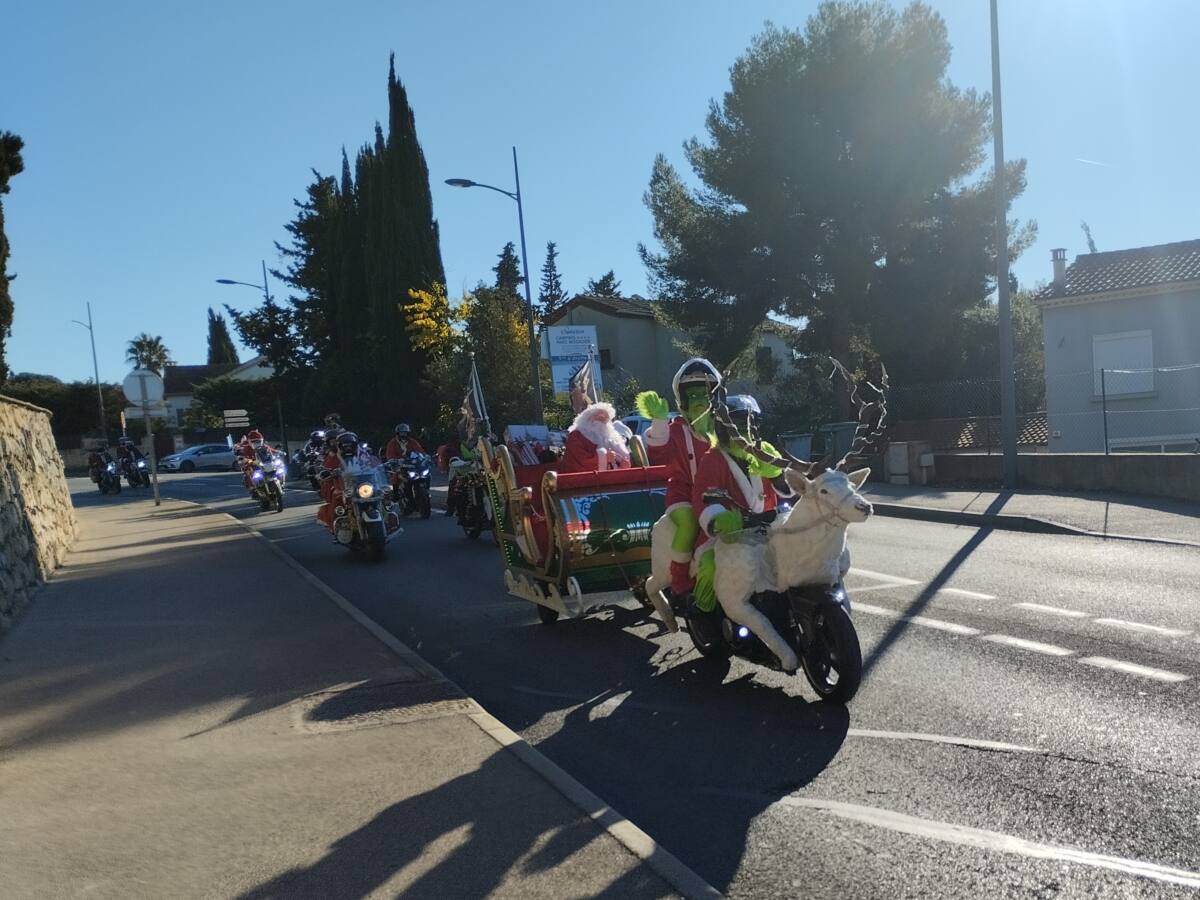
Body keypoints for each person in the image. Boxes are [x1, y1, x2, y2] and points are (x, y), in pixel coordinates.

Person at [690, 394, 792, 625]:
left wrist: (777, 475)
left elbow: (789, 488)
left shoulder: (765, 449)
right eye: (738, 422)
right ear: (724, 427)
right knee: (709, 565)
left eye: (751, 422)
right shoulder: (713, 459)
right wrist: (719, 519)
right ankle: (705, 616)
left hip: (769, 528)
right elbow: (704, 497)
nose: (746, 428)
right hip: (730, 536)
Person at [636, 358, 722, 600]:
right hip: (683, 494)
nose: (699, 401)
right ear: (682, 399)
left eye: (704, 394)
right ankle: (680, 578)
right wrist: (659, 422)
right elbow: (658, 453)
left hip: (722, 495)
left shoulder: (723, 428)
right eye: (692, 395)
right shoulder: (676, 429)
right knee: (688, 524)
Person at [561, 402, 631, 473]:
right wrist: (604, 458)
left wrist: (622, 465)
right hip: (582, 481)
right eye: (599, 418)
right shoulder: (576, 436)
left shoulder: (610, 437)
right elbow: (579, 461)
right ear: (588, 419)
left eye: (605, 420)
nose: (603, 422)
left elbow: (618, 462)